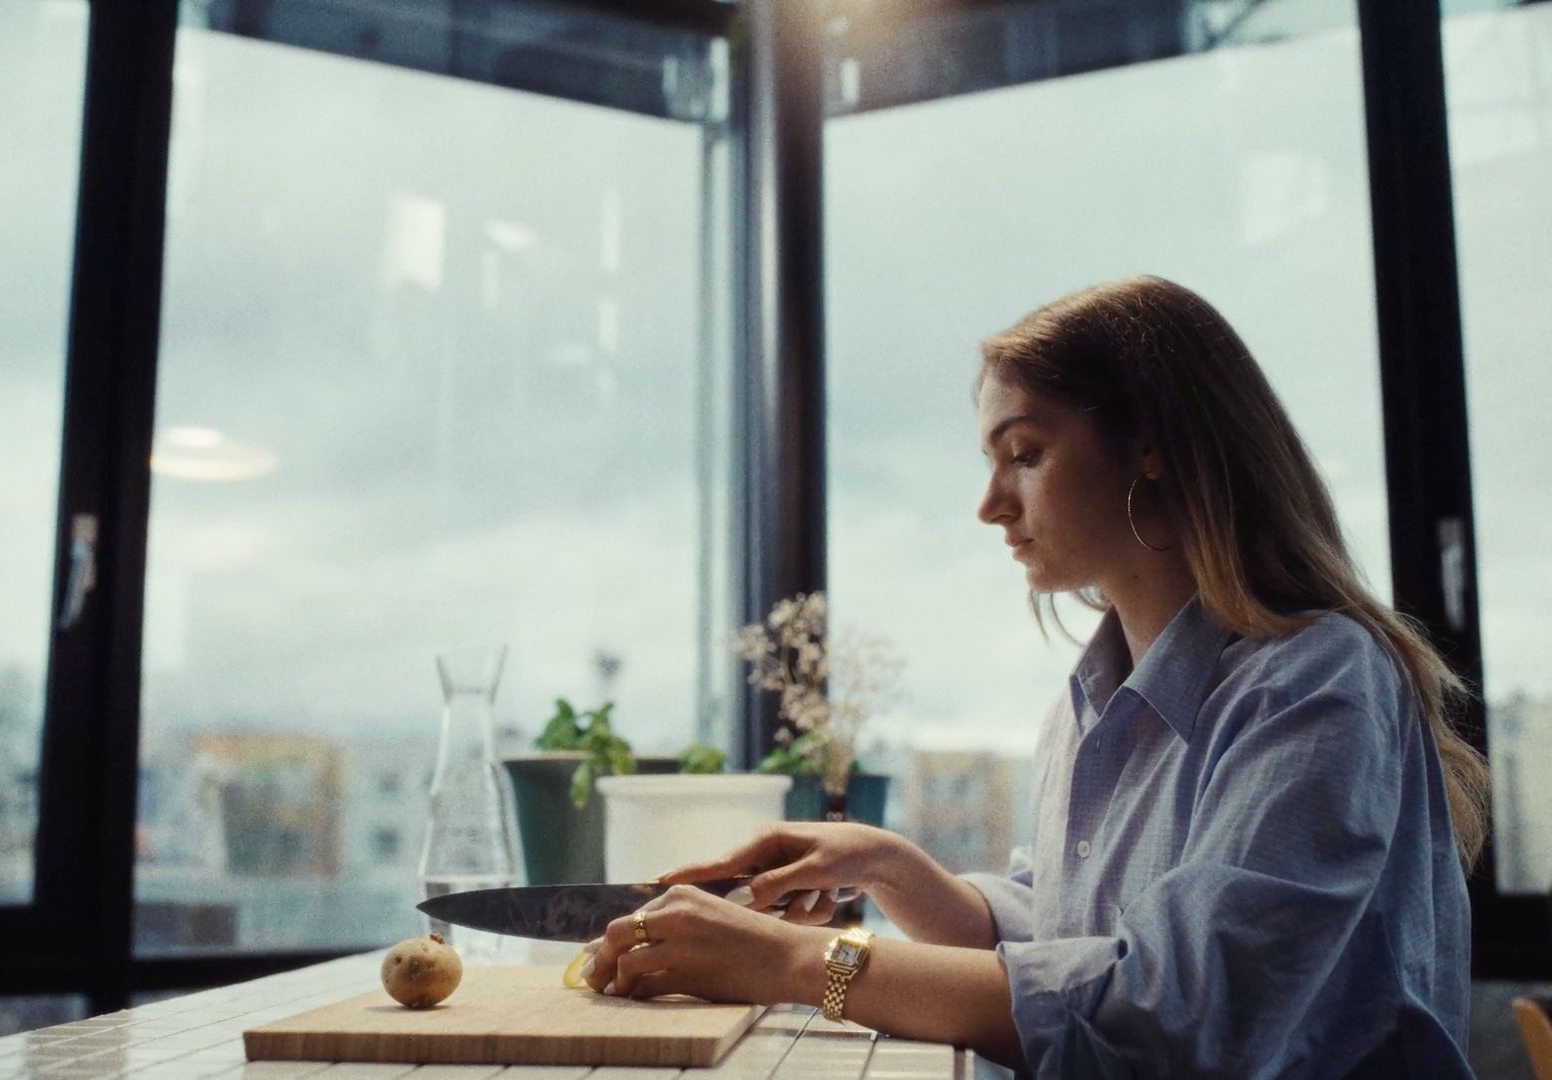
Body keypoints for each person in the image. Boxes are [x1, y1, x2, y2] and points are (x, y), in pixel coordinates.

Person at [577, 275, 1488, 1077]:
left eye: (1025, 453)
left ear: (1151, 446)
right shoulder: (1085, 707)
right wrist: (890, 867)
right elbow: (1066, 945)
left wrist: (791, 963)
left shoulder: (1316, 685)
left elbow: (1182, 1021)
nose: (989, 504)